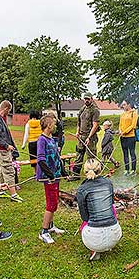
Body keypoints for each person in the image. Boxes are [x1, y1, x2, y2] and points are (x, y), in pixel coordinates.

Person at [76, 159, 122, 261]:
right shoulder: (108, 183)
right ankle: (107, 243)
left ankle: (94, 249)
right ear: (100, 170)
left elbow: (84, 217)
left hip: (93, 238)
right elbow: (111, 204)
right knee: (112, 210)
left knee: (83, 226)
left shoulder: (82, 189)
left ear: (85, 171)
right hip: (115, 233)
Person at [36, 115, 68, 244]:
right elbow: (41, 160)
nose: (55, 126)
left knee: (54, 201)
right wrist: (50, 175)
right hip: (48, 177)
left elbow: (58, 158)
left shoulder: (52, 139)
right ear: (49, 125)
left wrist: (64, 172)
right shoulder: (42, 140)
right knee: (51, 204)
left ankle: (50, 226)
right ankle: (43, 232)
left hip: (55, 175)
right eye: (53, 124)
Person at [0, 100, 22, 202]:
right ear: (6, 109)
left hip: (4, 149)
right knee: (9, 171)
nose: (8, 113)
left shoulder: (0, 119)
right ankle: (13, 195)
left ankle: (1, 191)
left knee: (3, 171)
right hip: (2, 150)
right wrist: (7, 146)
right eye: (9, 111)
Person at [72, 92, 100, 179]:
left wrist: (89, 137)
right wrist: (77, 132)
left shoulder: (95, 110)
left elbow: (95, 125)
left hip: (90, 138)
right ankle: (75, 175)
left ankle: (93, 175)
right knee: (79, 155)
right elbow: (78, 122)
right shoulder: (83, 109)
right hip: (81, 136)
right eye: (85, 99)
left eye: (88, 99)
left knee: (91, 157)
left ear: (92, 99)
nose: (86, 100)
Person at [119, 100, 138, 176]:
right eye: (122, 105)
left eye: (124, 104)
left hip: (130, 136)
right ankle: (126, 169)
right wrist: (120, 131)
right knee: (125, 153)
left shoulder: (134, 113)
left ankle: (133, 170)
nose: (123, 106)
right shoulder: (122, 114)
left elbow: (133, 125)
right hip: (122, 137)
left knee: (132, 153)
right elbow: (120, 124)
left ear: (129, 105)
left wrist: (124, 132)